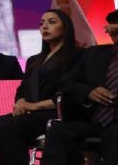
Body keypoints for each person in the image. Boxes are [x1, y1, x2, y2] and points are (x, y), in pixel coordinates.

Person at [0, 9, 81, 165]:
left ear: (66, 27)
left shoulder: (77, 56)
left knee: (9, 127)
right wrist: (21, 102)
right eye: (42, 23)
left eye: (52, 22)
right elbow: (23, 87)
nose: (45, 27)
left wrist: (34, 106)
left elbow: (71, 93)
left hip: (56, 112)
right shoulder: (34, 60)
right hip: (32, 112)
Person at [42, 10, 118, 165]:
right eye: (111, 26)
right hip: (95, 121)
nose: (113, 30)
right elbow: (66, 81)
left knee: (115, 134)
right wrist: (88, 92)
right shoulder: (94, 54)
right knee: (58, 132)